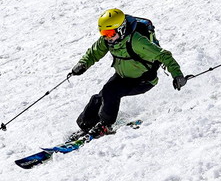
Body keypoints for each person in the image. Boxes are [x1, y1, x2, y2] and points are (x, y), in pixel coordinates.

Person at [69, 8, 186, 138]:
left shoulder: (137, 41)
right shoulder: (108, 41)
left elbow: (164, 56)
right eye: (104, 33)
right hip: (122, 77)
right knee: (99, 98)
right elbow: (93, 53)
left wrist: (177, 75)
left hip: (143, 80)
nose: (107, 37)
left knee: (110, 91)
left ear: (122, 29)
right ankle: (86, 125)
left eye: (110, 33)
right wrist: (83, 64)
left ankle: (105, 126)